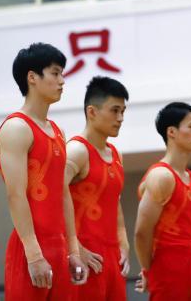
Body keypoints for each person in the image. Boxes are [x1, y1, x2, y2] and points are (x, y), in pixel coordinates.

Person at [0, 43, 87, 300]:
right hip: (30, 247)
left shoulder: (57, 131)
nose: (62, 81)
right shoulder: (16, 128)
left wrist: (73, 251)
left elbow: (63, 194)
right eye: (55, 73)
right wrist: (34, 255)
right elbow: (16, 195)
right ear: (32, 77)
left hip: (59, 247)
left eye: (62, 74)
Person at [66, 76, 130, 300]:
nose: (120, 118)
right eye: (114, 111)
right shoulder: (76, 151)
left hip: (112, 255)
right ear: (92, 112)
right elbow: (52, 199)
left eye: (123, 111)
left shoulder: (116, 154)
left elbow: (115, 201)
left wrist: (123, 242)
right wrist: (74, 249)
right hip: (86, 255)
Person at [134, 102, 191, 300]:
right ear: (171, 132)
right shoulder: (161, 176)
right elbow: (142, 232)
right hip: (166, 266)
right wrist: (148, 270)